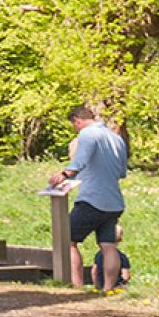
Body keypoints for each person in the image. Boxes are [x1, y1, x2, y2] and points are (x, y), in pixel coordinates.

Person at [50, 105, 128, 292]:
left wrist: (64, 174)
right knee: (108, 245)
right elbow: (121, 172)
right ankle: (108, 288)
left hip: (92, 199)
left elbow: (80, 160)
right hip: (114, 201)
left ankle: (74, 286)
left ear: (77, 120)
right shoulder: (116, 138)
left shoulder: (87, 134)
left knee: (66, 240)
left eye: (74, 125)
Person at [89, 226, 131, 291]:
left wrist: (97, 286)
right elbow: (126, 276)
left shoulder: (99, 255)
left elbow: (94, 271)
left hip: (101, 286)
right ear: (120, 240)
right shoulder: (122, 257)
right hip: (117, 287)